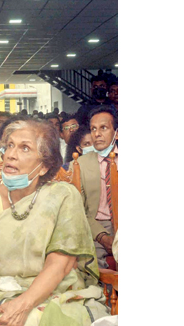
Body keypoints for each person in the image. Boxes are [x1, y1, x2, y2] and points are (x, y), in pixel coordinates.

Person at [0, 119, 109, 326]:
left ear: (43, 167)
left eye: (25, 148)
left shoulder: (62, 195)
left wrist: (23, 305)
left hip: (57, 291)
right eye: (10, 146)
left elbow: (60, 264)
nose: (11, 155)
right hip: (0, 291)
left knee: (36, 318)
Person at [77, 104, 118, 269]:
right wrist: (101, 236)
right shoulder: (81, 164)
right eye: (93, 129)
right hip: (96, 225)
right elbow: (80, 210)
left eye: (103, 128)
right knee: (89, 265)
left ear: (117, 132)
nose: (97, 134)